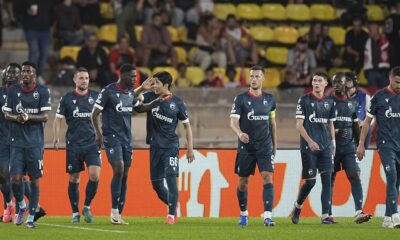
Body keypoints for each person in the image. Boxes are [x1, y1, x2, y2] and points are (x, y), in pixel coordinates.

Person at [91, 64, 162, 224]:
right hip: (111, 137)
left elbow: (139, 108)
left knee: (125, 175)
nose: (134, 79)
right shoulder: (108, 91)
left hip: (126, 140)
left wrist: (155, 102)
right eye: (131, 76)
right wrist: (98, 134)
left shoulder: (130, 93)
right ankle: (114, 211)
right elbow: (94, 114)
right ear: (121, 75)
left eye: (135, 77)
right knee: (119, 168)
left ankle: (118, 214)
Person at [135, 71, 194, 224]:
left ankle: (170, 215)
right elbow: (132, 100)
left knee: (170, 178)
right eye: (153, 83)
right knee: (156, 185)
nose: (154, 86)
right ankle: (173, 205)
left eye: (156, 83)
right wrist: (142, 88)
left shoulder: (178, 103)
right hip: (154, 146)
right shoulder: (149, 97)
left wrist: (190, 148)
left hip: (170, 146)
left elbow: (187, 126)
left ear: (166, 85)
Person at [3, 61, 51, 228]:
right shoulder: (13, 91)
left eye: (28, 71)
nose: (24, 74)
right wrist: (18, 118)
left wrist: (28, 117)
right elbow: (7, 114)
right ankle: (22, 206)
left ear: (34, 74)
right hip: (16, 143)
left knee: (34, 181)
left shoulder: (43, 91)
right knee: (15, 179)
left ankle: (31, 217)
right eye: (23, 71)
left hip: (35, 144)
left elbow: (45, 116)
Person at [230, 66, 277, 227]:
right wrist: (240, 133)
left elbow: (272, 123)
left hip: (264, 146)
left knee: (267, 177)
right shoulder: (241, 99)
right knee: (243, 181)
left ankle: (268, 216)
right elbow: (233, 121)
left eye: (257, 76)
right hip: (246, 147)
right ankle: (243, 215)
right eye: (252, 76)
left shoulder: (270, 99)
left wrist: (274, 145)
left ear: (263, 78)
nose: (254, 79)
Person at [53, 67, 101, 223]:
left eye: (86, 78)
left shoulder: (96, 96)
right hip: (73, 144)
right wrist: (56, 137)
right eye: (81, 78)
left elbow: (104, 116)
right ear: (75, 80)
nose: (84, 81)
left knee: (95, 175)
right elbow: (58, 119)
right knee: (75, 178)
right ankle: (75, 212)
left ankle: (86, 206)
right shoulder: (66, 98)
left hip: (92, 143)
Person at [357, 66, 400, 229]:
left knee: (396, 182)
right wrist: (361, 144)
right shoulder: (379, 97)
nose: (399, 85)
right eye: (397, 82)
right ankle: (396, 216)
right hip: (385, 145)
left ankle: (387, 218)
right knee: (391, 176)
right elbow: (367, 122)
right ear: (390, 78)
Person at [291, 72, 336, 224]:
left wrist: (333, 143)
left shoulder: (330, 102)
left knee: (327, 181)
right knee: (310, 182)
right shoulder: (304, 100)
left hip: (325, 147)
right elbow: (298, 125)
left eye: (319, 81)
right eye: (314, 80)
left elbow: (330, 123)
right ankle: (298, 207)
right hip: (308, 148)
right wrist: (310, 141)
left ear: (325, 84)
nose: (316, 83)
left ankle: (325, 216)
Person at [330, 72, 372, 224]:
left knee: (354, 175)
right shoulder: (328, 101)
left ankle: (359, 211)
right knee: (330, 179)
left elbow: (356, 126)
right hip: (332, 148)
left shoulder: (353, 103)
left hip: (348, 147)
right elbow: (322, 125)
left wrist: (359, 145)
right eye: (336, 82)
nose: (341, 85)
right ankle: (327, 213)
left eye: (343, 82)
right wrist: (334, 133)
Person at [0, 63, 21, 223]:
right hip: (2, 139)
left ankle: (24, 205)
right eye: (9, 72)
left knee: (17, 176)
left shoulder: (25, 95)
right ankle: (9, 204)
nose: (11, 75)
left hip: (20, 140)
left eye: (15, 73)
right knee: (2, 174)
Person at [344, 72, 373, 148]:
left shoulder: (365, 97)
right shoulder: (339, 98)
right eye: (343, 81)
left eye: (348, 81)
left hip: (360, 130)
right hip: (344, 131)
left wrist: (364, 123)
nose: (344, 83)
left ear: (355, 82)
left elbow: (372, 117)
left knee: (365, 129)